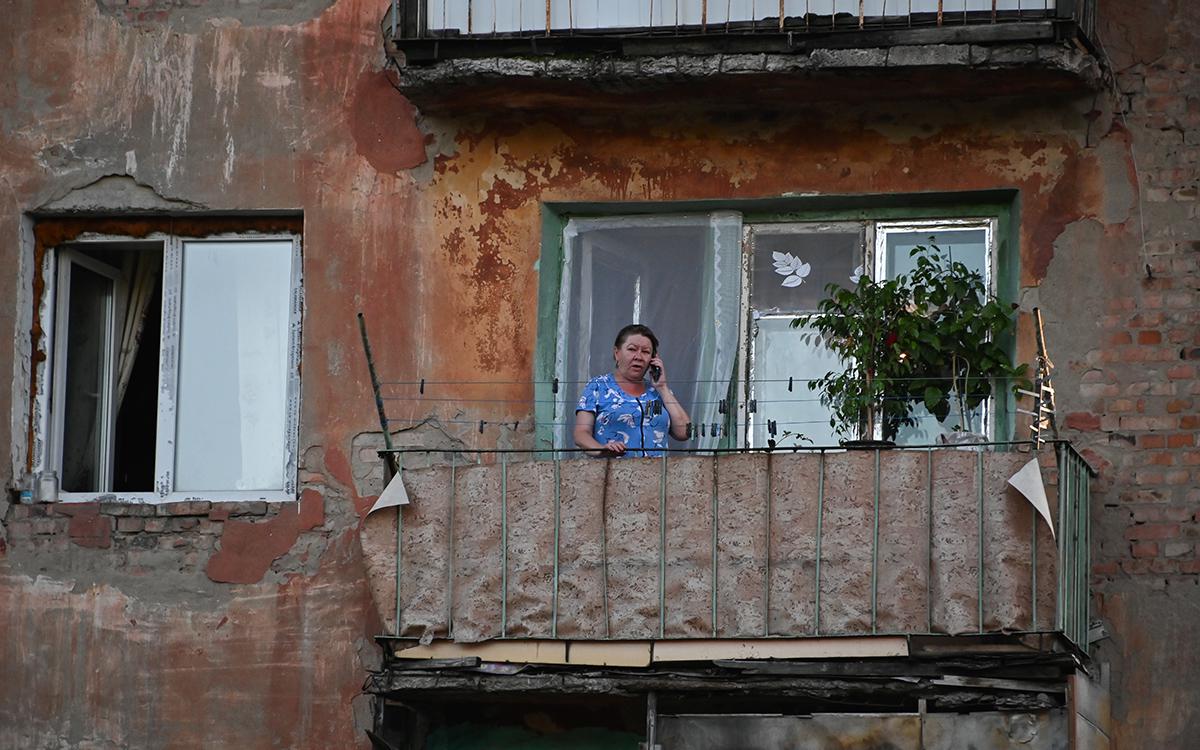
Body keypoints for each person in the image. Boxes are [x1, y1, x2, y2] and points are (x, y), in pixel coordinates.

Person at [574, 324, 692, 457]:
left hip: (658, 469)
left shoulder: (656, 392)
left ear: (653, 359)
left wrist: (662, 387)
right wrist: (602, 449)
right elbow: (581, 434)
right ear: (617, 353)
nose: (638, 357)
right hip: (612, 468)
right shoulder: (598, 386)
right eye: (632, 349)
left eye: (646, 352)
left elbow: (684, 432)